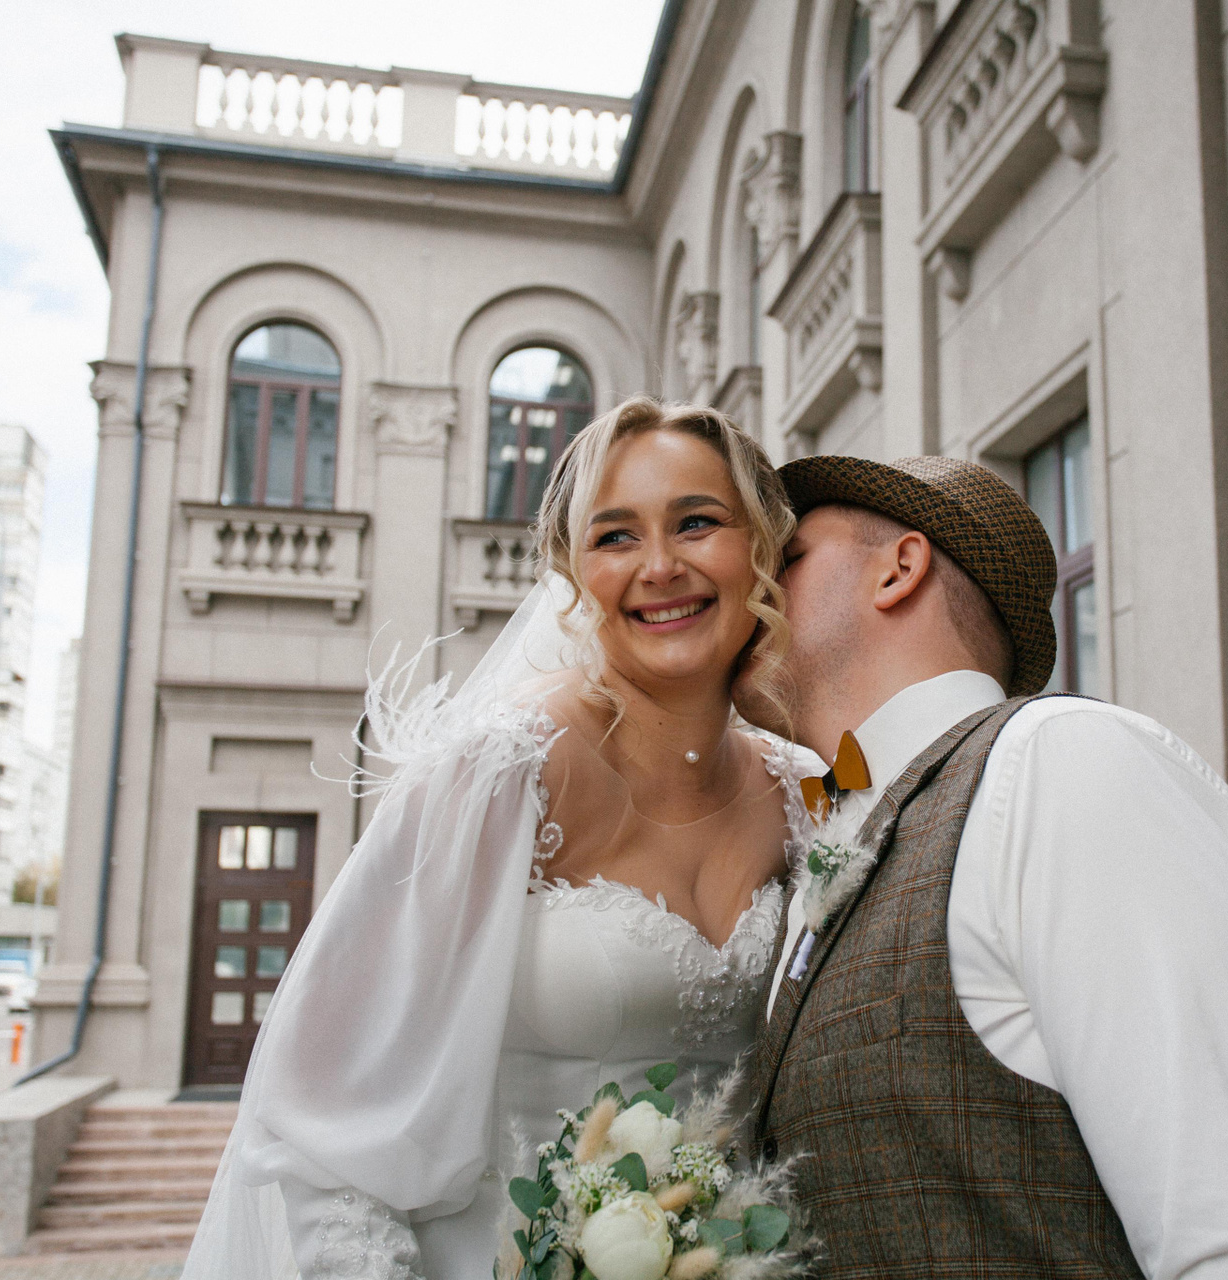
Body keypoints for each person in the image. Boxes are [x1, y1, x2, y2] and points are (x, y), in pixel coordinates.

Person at [183, 398, 810, 1280]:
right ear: (571, 572)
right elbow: (328, 1136)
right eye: (615, 536)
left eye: (697, 523)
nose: (660, 566)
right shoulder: (501, 770)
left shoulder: (803, 793)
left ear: (762, 546)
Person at [736, 455, 1228, 1279]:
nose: (751, 589)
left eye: (789, 559)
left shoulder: (1065, 762)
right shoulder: (828, 827)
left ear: (899, 569)